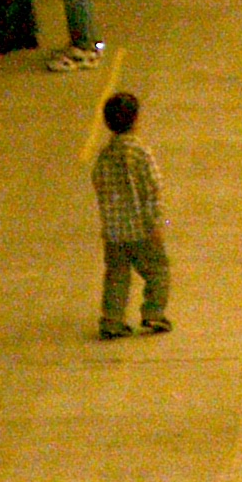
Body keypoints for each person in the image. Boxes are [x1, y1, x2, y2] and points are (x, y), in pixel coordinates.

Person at [92, 90, 172, 339]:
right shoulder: (140, 153)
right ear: (136, 119)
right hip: (141, 230)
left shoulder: (105, 156)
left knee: (116, 276)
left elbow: (99, 186)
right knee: (158, 271)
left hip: (114, 233)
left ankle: (112, 321)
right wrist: (158, 223)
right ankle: (153, 314)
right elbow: (153, 189)